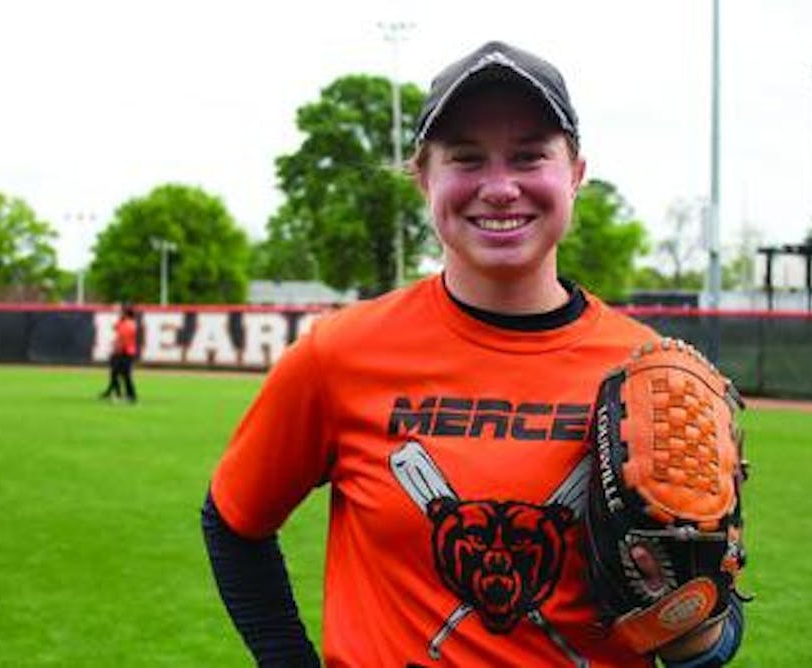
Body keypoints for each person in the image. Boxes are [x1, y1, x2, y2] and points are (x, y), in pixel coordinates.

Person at [202, 41, 743, 666]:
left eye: (529, 156)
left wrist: (681, 614)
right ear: (424, 178)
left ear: (575, 173)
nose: (500, 187)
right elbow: (234, 522)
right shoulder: (339, 355)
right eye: (466, 159)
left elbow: (709, 643)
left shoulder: (651, 375)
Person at [99, 302, 137, 403]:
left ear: (125, 313)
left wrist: (117, 349)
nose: (120, 313)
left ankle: (130, 395)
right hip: (122, 352)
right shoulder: (125, 322)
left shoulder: (128, 324)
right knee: (116, 373)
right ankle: (121, 394)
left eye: (122, 312)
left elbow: (123, 339)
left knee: (124, 374)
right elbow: (115, 327)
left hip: (125, 352)